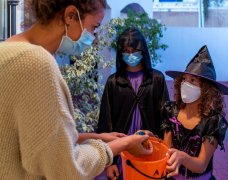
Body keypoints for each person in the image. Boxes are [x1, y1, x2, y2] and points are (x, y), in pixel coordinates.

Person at [0, 1, 152, 179]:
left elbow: (38, 141)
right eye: (94, 27)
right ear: (71, 16)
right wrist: (125, 144)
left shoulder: (7, 52)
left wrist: (96, 137)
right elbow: (68, 169)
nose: (94, 37)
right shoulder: (35, 63)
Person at [96, 27, 169, 179]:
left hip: (150, 148)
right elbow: (106, 122)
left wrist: (164, 151)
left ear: (142, 50)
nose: (130, 55)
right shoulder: (113, 82)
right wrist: (110, 163)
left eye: (134, 50)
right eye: (126, 51)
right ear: (120, 53)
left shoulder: (156, 79)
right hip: (121, 151)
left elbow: (166, 120)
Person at [161, 45, 228, 179]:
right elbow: (166, 150)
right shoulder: (171, 111)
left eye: (193, 81)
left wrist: (183, 157)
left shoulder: (213, 121)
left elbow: (201, 165)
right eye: (184, 79)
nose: (186, 84)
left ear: (205, 89)